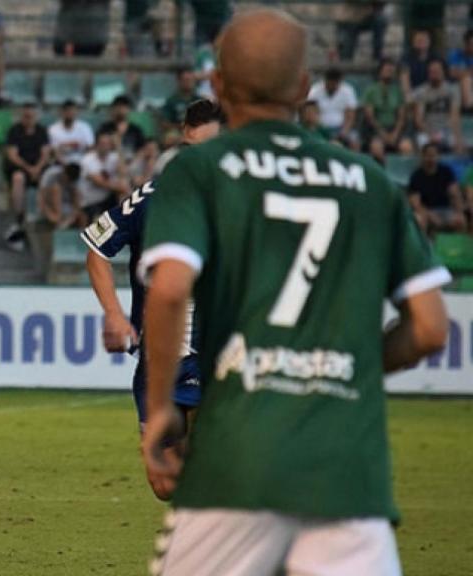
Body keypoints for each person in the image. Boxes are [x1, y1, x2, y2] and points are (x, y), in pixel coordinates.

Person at [139, 9, 450, 575]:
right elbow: (430, 327)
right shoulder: (371, 181)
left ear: (218, 85)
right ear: (304, 87)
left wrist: (161, 412)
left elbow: (168, 291)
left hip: (238, 459)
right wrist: (348, 362)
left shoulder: (198, 170)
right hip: (348, 470)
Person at [82, 99, 220, 500]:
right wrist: (115, 315)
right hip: (159, 360)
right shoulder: (151, 198)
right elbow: (97, 250)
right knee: (164, 484)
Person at [2, 103, 50, 251]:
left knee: (51, 179)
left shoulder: (41, 131)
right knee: (18, 178)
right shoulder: (15, 131)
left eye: (31, 116)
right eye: (26, 116)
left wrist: (37, 168)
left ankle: (45, 213)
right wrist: (29, 169)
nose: (28, 119)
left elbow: (45, 153)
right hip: (21, 169)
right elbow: (12, 155)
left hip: (39, 169)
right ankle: (19, 216)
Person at [408, 142, 466, 236]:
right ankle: (425, 248)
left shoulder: (446, 172)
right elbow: (416, 203)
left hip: (446, 210)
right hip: (427, 211)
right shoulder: (416, 176)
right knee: (419, 220)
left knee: (461, 220)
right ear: (423, 156)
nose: (431, 159)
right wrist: (429, 214)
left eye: (433, 155)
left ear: (438, 156)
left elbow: (455, 194)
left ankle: (459, 247)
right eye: (428, 155)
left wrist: (458, 212)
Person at [412, 59, 464, 154]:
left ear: (443, 72)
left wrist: (457, 139)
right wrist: (431, 135)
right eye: (432, 71)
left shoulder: (453, 90)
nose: (434, 74)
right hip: (426, 131)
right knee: (422, 142)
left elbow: (454, 117)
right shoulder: (421, 92)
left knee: (455, 143)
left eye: (437, 71)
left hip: (446, 130)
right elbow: (418, 120)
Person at [78, 127, 128, 220]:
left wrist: (118, 147)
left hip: (108, 200)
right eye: (102, 144)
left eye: (108, 144)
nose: (105, 146)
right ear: (96, 144)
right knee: (123, 189)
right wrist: (122, 188)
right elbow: (99, 182)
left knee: (124, 187)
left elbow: (124, 173)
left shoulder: (113, 157)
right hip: (91, 202)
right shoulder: (88, 160)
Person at [361, 59, 410, 152]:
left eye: (392, 71)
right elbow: (370, 117)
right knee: (377, 147)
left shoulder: (398, 91)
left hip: (394, 129)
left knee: (406, 147)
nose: (390, 73)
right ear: (380, 72)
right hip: (376, 130)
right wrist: (383, 134)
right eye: (387, 70)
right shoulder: (371, 91)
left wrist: (395, 134)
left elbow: (401, 116)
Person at [307, 67, 358, 146]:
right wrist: (323, 131)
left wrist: (344, 132)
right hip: (321, 128)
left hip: (341, 129)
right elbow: (311, 113)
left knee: (354, 142)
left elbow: (350, 116)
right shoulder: (315, 91)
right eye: (330, 83)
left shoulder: (348, 91)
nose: (332, 85)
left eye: (335, 83)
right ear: (326, 80)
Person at [37, 162, 85, 230]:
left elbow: (76, 200)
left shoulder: (76, 181)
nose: (67, 181)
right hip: (49, 203)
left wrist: (74, 214)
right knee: (57, 189)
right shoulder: (52, 174)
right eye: (67, 178)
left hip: (66, 204)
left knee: (83, 217)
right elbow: (41, 194)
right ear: (64, 172)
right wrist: (46, 211)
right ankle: (58, 216)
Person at [47, 99, 94, 165]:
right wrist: (67, 166)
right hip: (61, 164)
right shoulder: (53, 129)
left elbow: (90, 148)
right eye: (67, 111)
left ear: (77, 112)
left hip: (82, 163)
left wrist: (83, 163)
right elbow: (54, 152)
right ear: (62, 112)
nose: (70, 113)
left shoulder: (85, 127)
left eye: (73, 111)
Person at [160, 68, 199, 132]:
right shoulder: (171, 101)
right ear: (179, 81)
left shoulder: (199, 100)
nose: (189, 82)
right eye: (186, 80)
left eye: (191, 80)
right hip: (178, 133)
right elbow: (165, 124)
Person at [400, 29, 436, 97]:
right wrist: (408, 96)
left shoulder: (435, 57)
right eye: (418, 40)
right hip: (414, 94)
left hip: (432, 93)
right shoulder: (406, 58)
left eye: (424, 40)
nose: (421, 42)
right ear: (413, 42)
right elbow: (404, 79)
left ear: (429, 42)